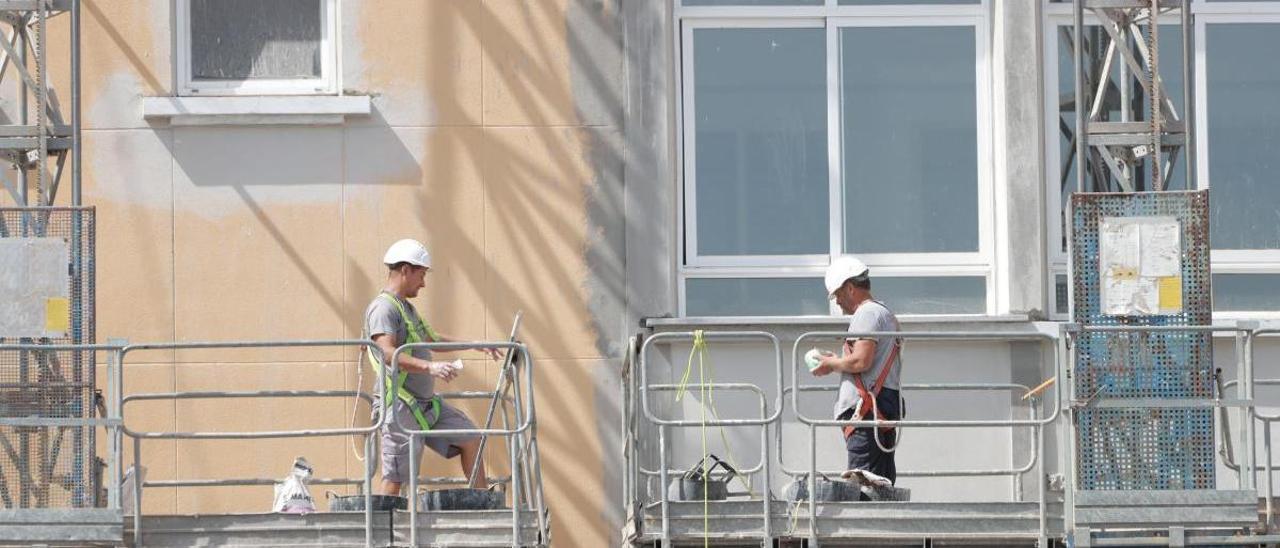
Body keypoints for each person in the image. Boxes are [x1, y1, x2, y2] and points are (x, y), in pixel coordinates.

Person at [364, 238, 501, 496]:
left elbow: (431, 340)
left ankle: (482, 506)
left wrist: (474, 344)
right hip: (401, 403)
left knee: (470, 438)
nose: (424, 283)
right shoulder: (383, 308)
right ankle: (381, 533)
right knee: (396, 476)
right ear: (405, 270)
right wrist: (430, 368)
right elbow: (386, 352)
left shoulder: (407, 309)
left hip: (424, 404)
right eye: (421, 275)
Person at [811, 256, 904, 487]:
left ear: (850, 288)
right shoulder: (884, 314)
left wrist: (829, 364)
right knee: (880, 486)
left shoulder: (867, 313)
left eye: (837, 295)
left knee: (863, 488)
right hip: (880, 408)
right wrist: (839, 361)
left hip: (866, 413)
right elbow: (864, 361)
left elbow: (861, 361)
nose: (838, 303)